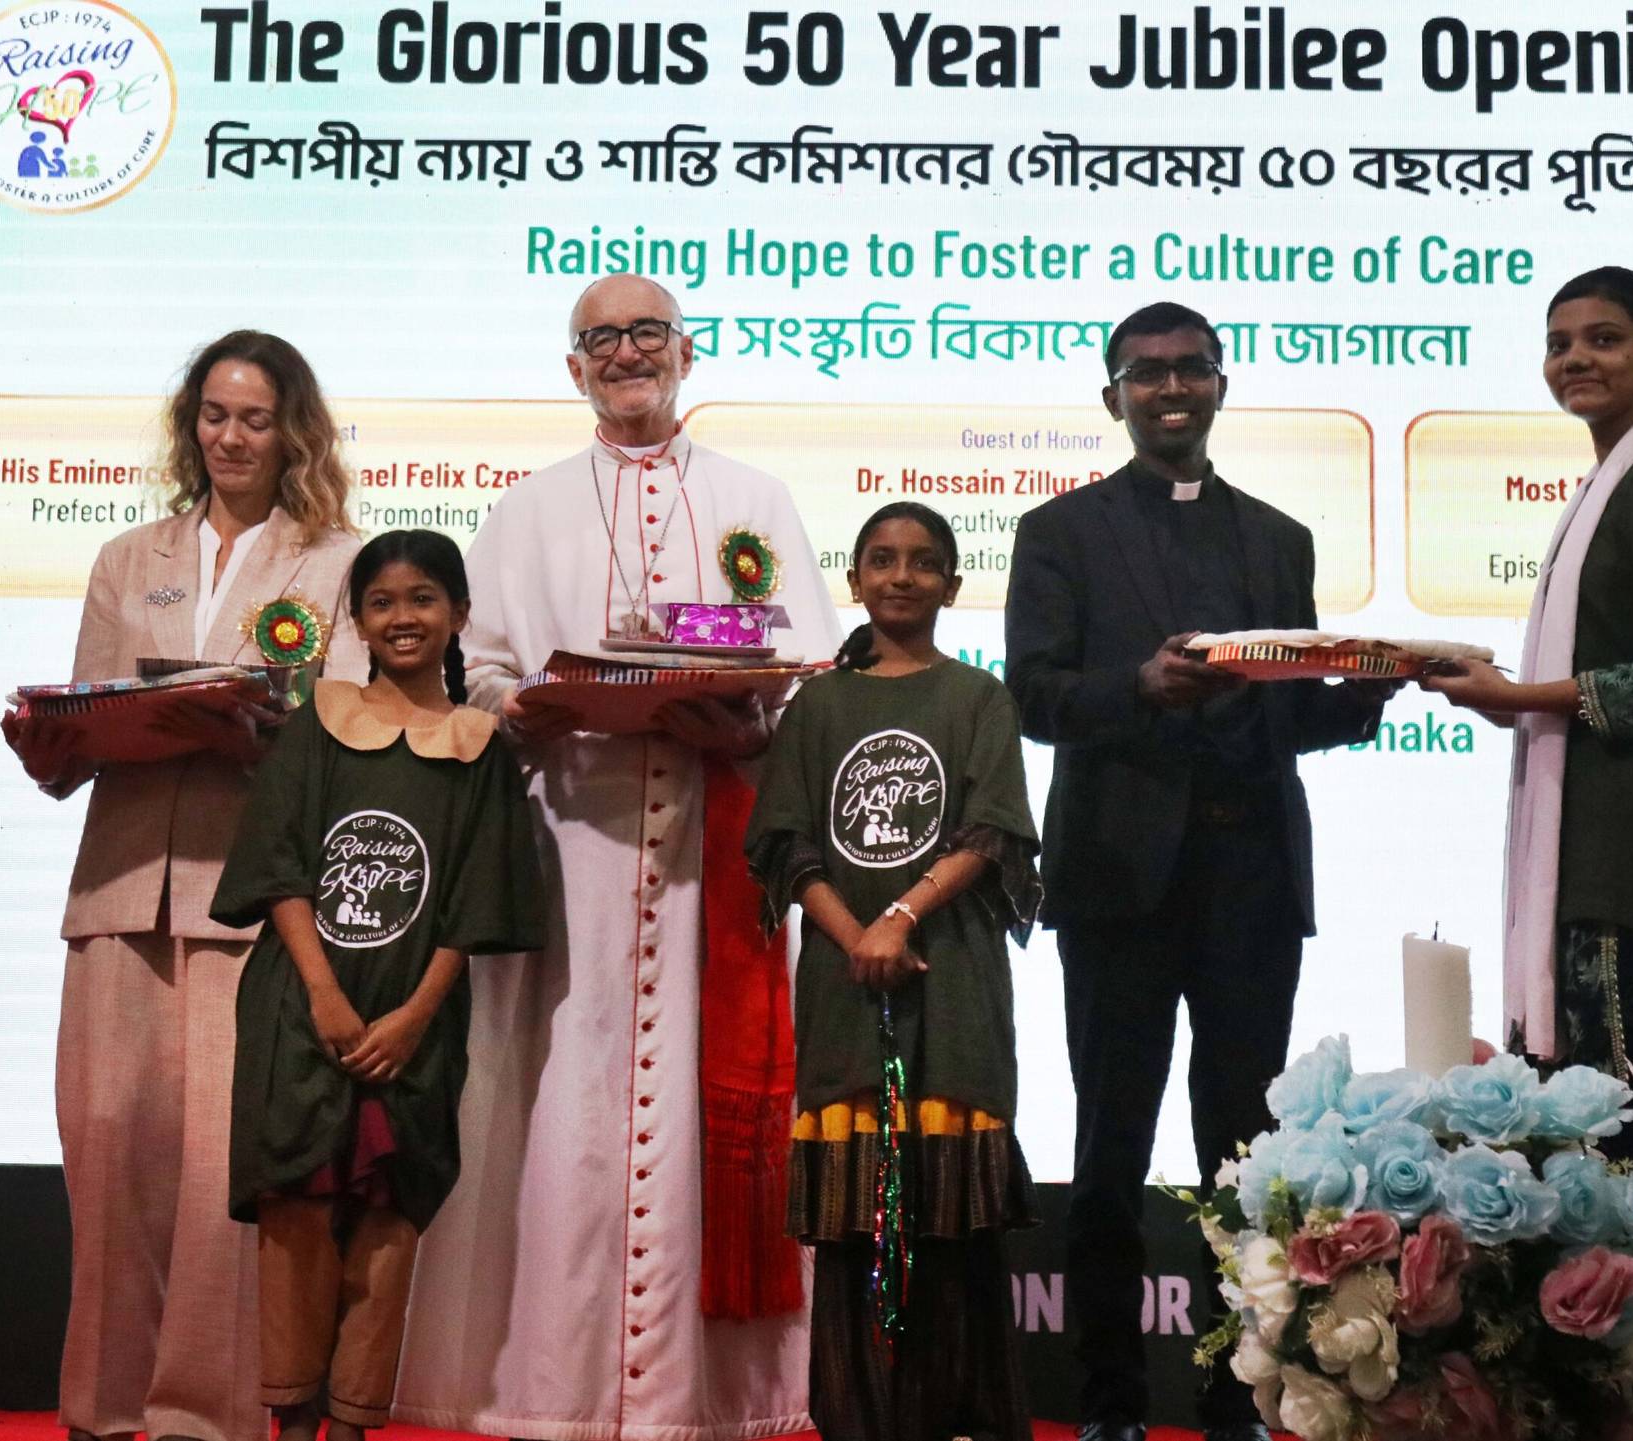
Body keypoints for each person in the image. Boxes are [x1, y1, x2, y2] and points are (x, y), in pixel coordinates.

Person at [392, 273, 842, 1441]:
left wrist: (750, 721)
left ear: (687, 354)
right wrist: (520, 705)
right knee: (562, 1104)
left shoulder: (756, 498)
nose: (627, 353)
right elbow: (477, 665)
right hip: (569, 850)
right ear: (573, 368)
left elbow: (808, 673)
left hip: (713, 847)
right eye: (603, 340)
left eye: (648, 333)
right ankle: (551, 1385)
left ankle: (718, 1394)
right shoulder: (527, 509)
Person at [1003, 301, 1387, 1441]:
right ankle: (1110, 1407)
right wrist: (1142, 687)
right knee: (1110, 1149)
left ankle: (1247, 1400)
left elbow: (1286, 718)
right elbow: (1034, 697)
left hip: (1251, 879)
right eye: (1147, 372)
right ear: (1113, 394)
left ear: (1221, 384)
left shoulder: (1279, 538)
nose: (1171, 388)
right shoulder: (1056, 534)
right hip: (1120, 880)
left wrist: (1358, 704)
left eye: (1191, 370)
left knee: (1245, 1157)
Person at [2, 331, 367, 1441]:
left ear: (292, 429)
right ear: (190, 424)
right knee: (110, 1158)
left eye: (255, 417)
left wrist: (255, 729)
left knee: (219, 1177)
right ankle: (104, 1409)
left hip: (247, 907)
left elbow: (346, 739)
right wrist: (50, 735)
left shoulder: (338, 561)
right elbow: (81, 736)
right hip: (117, 892)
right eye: (214, 413)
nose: (231, 435)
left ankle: (199, 1417)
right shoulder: (128, 557)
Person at [1422, 266, 1633, 1441]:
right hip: (1614, 867)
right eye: (1559, 343)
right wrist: (1521, 698)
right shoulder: (1613, 478)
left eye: (1605, 339)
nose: (1577, 360)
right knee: (1627, 1145)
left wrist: (1524, 696)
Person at [210, 529, 545, 1441]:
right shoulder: (318, 721)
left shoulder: (480, 748)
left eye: (425, 598)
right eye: (384, 601)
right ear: (356, 618)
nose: (405, 617)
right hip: (299, 1009)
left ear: (460, 613)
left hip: (414, 1023)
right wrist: (322, 994)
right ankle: (292, 1419)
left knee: (389, 1220)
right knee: (298, 1207)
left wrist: (410, 1017)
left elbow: (477, 905)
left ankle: (355, 1422)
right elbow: (278, 868)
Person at [746, 502, 1041, 1441]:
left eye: (923, 563)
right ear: (857, 579)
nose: (901, 576)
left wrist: (904, 915)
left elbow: (991, 833)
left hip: (951, 984)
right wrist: (857, 933)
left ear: (953, 585)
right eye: (882, 559)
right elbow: (788, 847)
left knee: (951, 1228)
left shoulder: (979, 699)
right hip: (844, 989)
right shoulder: (819, 707)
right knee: (853, 1232)